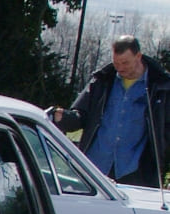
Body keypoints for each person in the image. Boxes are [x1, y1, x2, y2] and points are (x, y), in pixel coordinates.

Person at [49, 36, 170, 188]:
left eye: (125, 63)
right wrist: (62, 117)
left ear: (138, 56)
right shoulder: (102, 80)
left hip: (135, 173)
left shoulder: (161, 87)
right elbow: (81, 115)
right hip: (94, 168)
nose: (120, 68)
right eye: (116, 63)